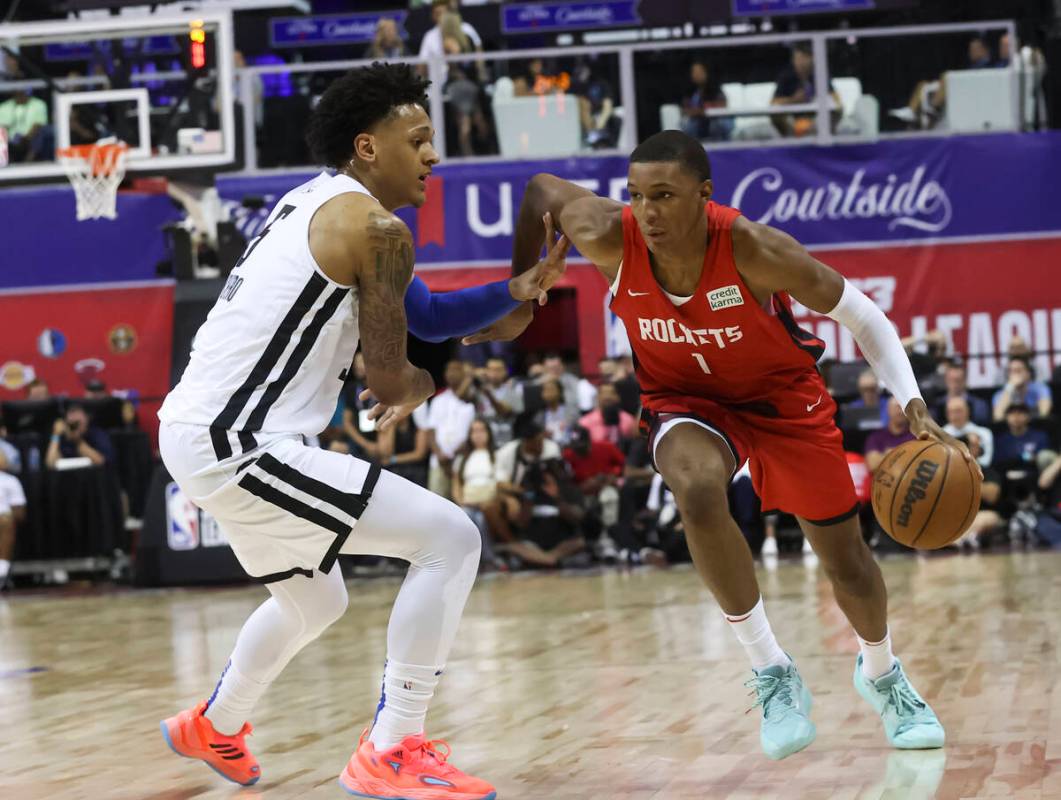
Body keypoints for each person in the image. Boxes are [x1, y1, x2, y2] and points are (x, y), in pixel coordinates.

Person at [155, 63, 568, 799]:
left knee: (317, 601)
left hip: (199, 434)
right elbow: (389, 380)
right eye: (418, 140)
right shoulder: (376, 229)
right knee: (451, 539)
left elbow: (431, 317)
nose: (432, 155)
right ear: (367, 147)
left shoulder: (315, 203)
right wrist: (423, 384)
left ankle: (215, 724)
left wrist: (514, 290)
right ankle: (393, 747)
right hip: (239, 442)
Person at [513, 130, 977, 761]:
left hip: (784, 402)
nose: (646, 212)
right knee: (697, 490)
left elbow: (863, 315)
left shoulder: (753, 247)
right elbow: (541, 189)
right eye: (637, 195)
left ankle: (881, 673)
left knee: (847, 565)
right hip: (687, 402)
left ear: (704, 196)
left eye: (664, 195)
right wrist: (521, 295)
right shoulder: (606, 234)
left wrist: (914, 404)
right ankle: (771, 669)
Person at [426, 360, 476, 498]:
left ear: (463, 373)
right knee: (436, 503)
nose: (451, 373)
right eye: (448, 370)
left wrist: (452, 455)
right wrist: (440, 454)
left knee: (462, 504)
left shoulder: (471, 401)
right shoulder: (438, 400)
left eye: (455, 369)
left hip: (462, 461)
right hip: (438, 462)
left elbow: (473, 433)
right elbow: (430, 431)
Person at [770, 43, 839, 137]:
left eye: (804, 58)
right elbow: (774, 102)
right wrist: (793, 100)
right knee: (776, 114)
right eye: (798, 58)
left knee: (836, 110)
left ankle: (822, 139)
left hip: (816, 117)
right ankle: (792, 140)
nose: (801, 62)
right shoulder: (786, 76)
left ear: (812, 59)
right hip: (792, 117)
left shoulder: (820, 73)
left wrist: (819, 100)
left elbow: (835, 99)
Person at [44, 404, 113, 469]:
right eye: (72, 424)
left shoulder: (97, 434)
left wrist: (78, 441)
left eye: (78, 423)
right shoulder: (63, 437)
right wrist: (56, 435)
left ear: (87, 418)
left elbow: (101, 462)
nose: (75, 426)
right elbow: (51, 464)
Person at [681, 61, 731, 142]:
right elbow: (686, 109)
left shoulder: (716, 91)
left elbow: (722, 107)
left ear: (706, 73)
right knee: (687, 125)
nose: (696, 75)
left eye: (699, 72)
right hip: (696, 123)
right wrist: (697, 112)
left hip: (713, 121)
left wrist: (701, 111)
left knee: (719, 124)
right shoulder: (690, 92)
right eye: (694, 72)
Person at [864, 398, 915, 476]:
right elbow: (873, 465)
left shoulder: (915, 435)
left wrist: (889, 453)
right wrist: (904, 454)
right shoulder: (876, 437)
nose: (900, 411)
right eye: (897, 407)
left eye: (903, 408)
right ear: (888, 410)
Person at [992, 356, 1052, 421]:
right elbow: (998, 417)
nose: (1016, 375)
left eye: (1019, 370)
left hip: (1036, 426)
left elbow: (1044, 413)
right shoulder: (1000, 394)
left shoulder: (1040, 388)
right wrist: (1010, 387)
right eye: (1012, 371)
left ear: (1028, 373)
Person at [0, 88, 51, 162]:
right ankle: (6, 162)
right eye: (18, 94)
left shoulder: (39, 104)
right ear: (14, 94)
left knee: (42, 132)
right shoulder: (4, 107)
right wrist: (10, 140)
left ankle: (28, 161)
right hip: (11, 140)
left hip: (31, 137)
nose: (21, 96)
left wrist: (26, 138)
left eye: (23, 93)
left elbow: (38, 125)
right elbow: (3, 127)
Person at [579, 382, 636, 447]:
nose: (607, 396)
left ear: (618, 397)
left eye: (612, 393)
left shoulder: (629, 421)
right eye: (604, 393)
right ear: (597, 397)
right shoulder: (585, 422)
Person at [942, 396, 993, 467]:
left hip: (977, 473)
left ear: (968, 411)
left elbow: (985, 461)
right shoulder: (939, 435)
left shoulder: (984, 433)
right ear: (946, 414)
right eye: (951, 412)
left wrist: (975, 450)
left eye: (958, 411)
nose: (955, 415)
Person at [933, 360, 989, 425]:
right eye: (951, 380)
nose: (955, 384)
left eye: (958, 380)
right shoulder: (937, 405)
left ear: (965, 380)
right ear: (946, 380)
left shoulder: (979, 405)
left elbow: (983, 425)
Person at [540, 377, 578, 445]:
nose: (548, 394)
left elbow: (577, 433)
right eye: (545, 390)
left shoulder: (571, 411)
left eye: (551, 390)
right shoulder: (539, 416)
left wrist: (571, 434)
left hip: (569, 447)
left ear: (559, 392)